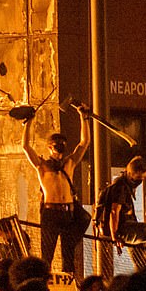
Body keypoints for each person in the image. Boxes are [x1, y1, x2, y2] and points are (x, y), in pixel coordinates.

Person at [22, 102, 90, 273]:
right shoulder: (42, 166)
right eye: (56, 144)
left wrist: (83, 117)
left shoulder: (69, 163)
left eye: (62, 144)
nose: (60, 147)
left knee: (68, 256)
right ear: (49, 147)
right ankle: (46, 287)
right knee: (47, 255)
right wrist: (29, 122)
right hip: (50, 213)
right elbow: (25, 147)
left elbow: (84, 143)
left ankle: (69, 288)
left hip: (68, 213)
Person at [106, 156, 146, 268]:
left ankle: (144, 279)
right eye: (138, 178)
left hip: (128, 226)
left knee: (141, 263)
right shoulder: (120, 187)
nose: (140, 181)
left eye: (142, 178)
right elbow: (114, 211)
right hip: (124, 229)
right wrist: (115, 237)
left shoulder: (124, 185)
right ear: (131, 174)